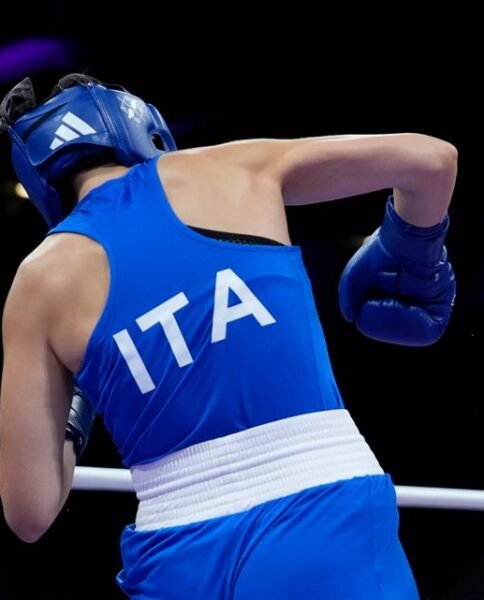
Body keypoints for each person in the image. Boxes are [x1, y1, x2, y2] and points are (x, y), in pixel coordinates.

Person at [0, 73, 457, 599]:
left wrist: (82, 392)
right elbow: (431, 160)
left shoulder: (37, 282)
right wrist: (412, 251)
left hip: (174, 553)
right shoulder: (226, 167)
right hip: (321, 514)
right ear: (140, 126)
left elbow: (29, 512)